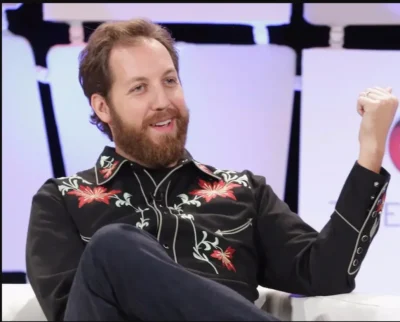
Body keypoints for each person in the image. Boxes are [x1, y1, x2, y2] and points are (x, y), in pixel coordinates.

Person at [26, 18, 398, 321]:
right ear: (103, 107)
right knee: (111, 247)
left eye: (169, 81)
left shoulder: (241, 191)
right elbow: (72, 313)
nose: (162, 101)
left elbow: (326, 272)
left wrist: (370, 151)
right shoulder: (60, 200)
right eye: (139, 88)